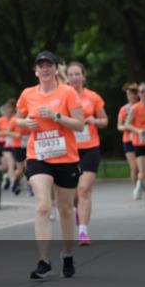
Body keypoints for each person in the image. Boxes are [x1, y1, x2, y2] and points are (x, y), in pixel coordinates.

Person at [16, 51, 86, 279]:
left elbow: (79, 125)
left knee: (66, 210)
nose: (45, 69)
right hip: (38, 156)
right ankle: (44, 261)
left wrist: (56, 116)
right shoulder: (27, 94)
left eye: (49, 65)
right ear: (35, 70)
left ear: (56, 69)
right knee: (43, 206)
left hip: (65, 157)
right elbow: (17, 119)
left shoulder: (68, 93)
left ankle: (68, 254)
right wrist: (25, 122)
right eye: (41, 66)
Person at [64, 61, 107, 246]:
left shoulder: (92, 97)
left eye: (77, 74)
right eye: (71, 74)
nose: (75, 77)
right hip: (69, 150)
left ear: (83, 76)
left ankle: (83, 230)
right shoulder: (63, 96)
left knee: (84, 189)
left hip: (90, 147)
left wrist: (94, 121)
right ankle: (78, 211)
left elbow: (105, 120)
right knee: (74, 194)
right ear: (67, 78)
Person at [117, 83, 140, 197]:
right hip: (128, 140)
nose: (130, 96)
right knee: (134, 167)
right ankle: (136, 188)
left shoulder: (141, 106)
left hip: (140, 140)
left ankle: (141, 185)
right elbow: (119, 126)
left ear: (136, 95)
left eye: (131, 94)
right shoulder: (124, 109)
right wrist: (127, 127)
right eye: (128, 94)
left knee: (141, 167)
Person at [0, 102, 14, 190]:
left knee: (8, 165)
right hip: (2, 145)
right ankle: (12, 182)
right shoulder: (0, 120)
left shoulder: (15, 119)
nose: (7, 112)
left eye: (8, 110)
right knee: (9, 163)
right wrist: (4, 133)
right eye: (5, 111)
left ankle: (6, 177)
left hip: (15, 144)